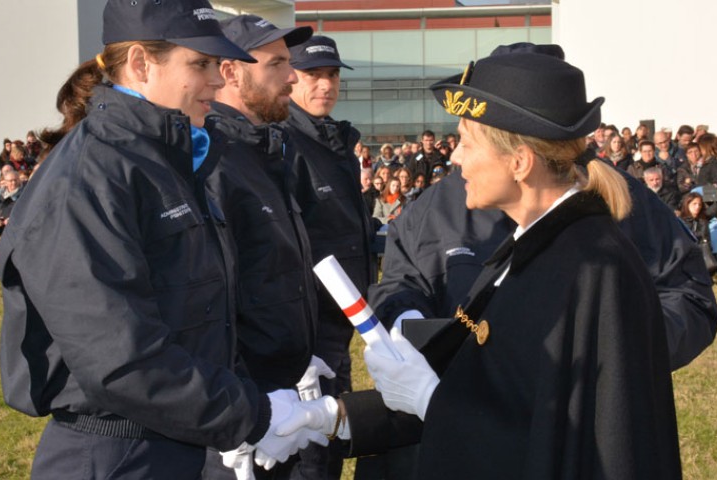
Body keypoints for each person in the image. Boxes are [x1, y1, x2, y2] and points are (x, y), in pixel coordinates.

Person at [279, 49, 682, 479]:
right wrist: (335, 415)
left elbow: (564, 445)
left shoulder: (587, 270)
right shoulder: (530, 250)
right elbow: (496, 393)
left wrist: (430, 401)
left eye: (468, 144)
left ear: (520, 162)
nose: (454, 158)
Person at [0, 2, 325, 478]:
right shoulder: (90, 176)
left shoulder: (168, 162)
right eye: (201, 64)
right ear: (142, 64)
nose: (217, 79)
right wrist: (252, 416)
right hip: (115, 453)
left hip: (174, 442)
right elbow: (119, 358)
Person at [202, 14, 324, 479]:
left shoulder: (268, 152)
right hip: (242, 412)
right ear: (231, 72)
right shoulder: (213, 162)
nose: (292, 77)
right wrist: (239, 408)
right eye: (276, 64)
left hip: (283, 393)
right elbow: (208, 298)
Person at [284, 34, 377, 479]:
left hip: (341, 326)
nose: (326, 85)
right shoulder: (284, 143)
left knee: (336, 440)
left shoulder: (335, 141)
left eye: (333, 75)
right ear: (290, 79)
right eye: (313, 75)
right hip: (308, 327)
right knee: (313, 454)